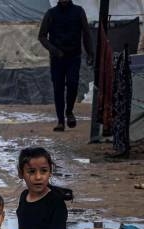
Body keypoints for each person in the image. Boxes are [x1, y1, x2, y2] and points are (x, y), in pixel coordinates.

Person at [38, 0, 94, 131]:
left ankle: (69, 111)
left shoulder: (78, 11)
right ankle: (60, 121)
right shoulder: (51, 14)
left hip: (74, 56)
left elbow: (86, 33)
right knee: (58, 88)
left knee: (73, 83)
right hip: (57, 58)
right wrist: (54, 50)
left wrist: (90, 53)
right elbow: (42, 36)